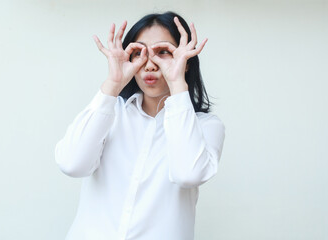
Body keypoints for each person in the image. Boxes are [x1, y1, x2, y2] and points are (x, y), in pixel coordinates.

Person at [55, 11, 225, 240]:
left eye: (163, 52)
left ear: (185, 62)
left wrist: (176, 83)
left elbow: (188, 174)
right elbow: (71, 164)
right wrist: (113, 85)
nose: (150, 65)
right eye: (139, 53)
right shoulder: (110, 113)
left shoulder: (205, 126)